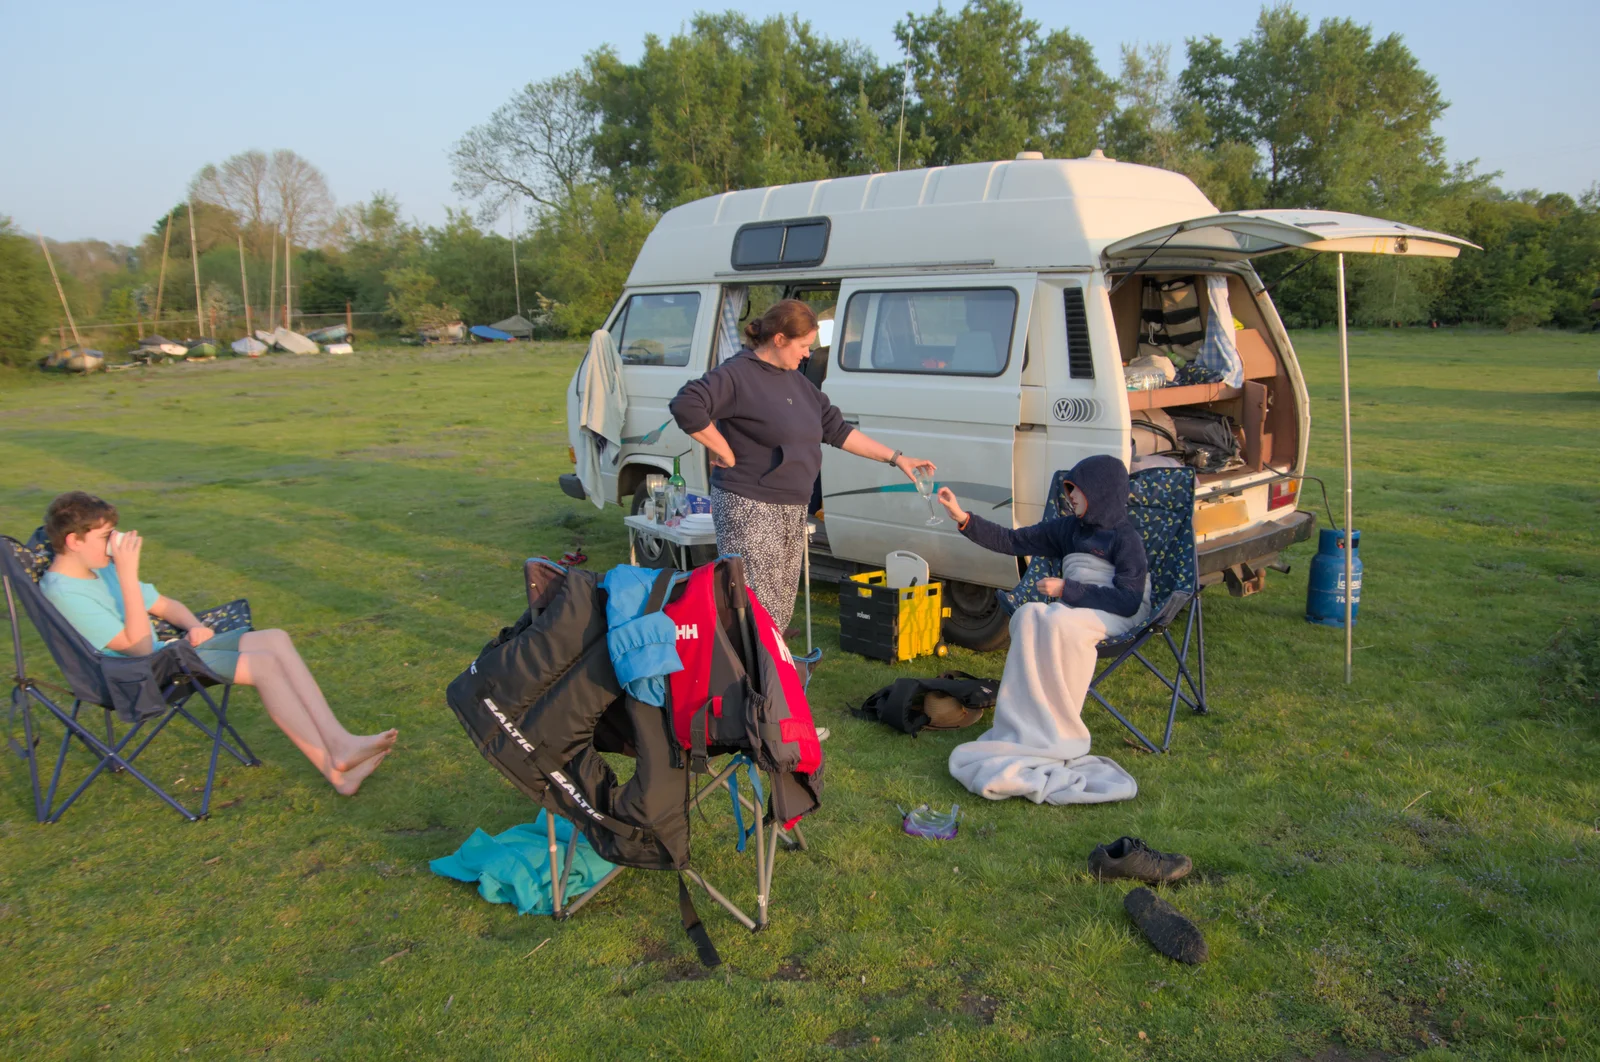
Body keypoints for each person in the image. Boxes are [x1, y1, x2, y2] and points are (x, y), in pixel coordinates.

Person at [39, 491, 397, 795]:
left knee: (275, 639)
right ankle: (335, 768)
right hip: (136, 675)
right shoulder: (64, 592)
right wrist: (128, 575)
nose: (115, 544)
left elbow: (165, 605)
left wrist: (194, 625)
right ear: (74, 541)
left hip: (168, 653)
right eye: (106, 536)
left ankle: (340, 743)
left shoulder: (100, 568)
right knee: (264, 665)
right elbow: (137, 648)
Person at [669, 299, 935, 632]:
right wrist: (721, 446)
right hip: (750, 505)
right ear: (779, 339)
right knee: (754, 610)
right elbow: (686, 404)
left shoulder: (798, 383)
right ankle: (749, 677)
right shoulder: (738, 374)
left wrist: (897, 459)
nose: (809, 354)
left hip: (792, 507)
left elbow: (837, 431)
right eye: (804, 345)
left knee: (779, 609)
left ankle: (769, 676)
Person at [934, 455, 1150, 804]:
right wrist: (963, 519)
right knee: (1031, 614)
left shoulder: (1126, 540)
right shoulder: (1068, 528)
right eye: (1068, 490)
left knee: (1060, 621)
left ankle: (1058, 731)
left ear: (1101, 493)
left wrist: (1068, 590)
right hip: (1079, 605)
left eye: (1077, 491)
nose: (1071, 498)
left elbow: (1127, 600)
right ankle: (1026, 726)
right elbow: (1012, 540)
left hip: (1117, 607)